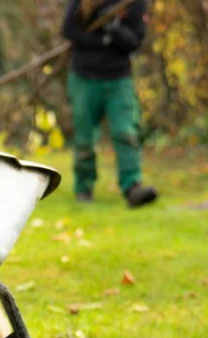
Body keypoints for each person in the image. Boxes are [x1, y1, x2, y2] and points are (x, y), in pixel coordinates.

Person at [63, 0, 158, 207]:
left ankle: (132, 187)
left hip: (118, 77)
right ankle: (83, 188)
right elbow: (69, 30)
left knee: (126, 132)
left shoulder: (134, 3)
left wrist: (114, 32)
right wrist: (104, 41)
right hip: (84, 76)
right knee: (84, 137)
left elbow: (134, 41)